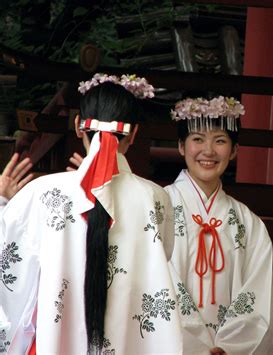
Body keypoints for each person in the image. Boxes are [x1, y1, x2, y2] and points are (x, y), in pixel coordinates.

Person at [0, 74, 182, 354]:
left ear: (77, 126)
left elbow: (8, 268)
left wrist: (3, 203)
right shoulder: (156, 198)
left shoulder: (42, 194)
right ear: (133, 134)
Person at [166, 96, 273, 354]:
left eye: (219, 141)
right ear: (181, 147)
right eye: (197, 139)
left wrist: (228, 347)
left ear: (234, 150)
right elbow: (155, 280)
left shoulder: (248, 222)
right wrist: (194, 346)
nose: (208, 151)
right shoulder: (158, 206)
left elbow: (257, 291)